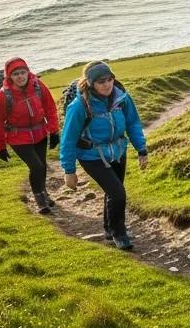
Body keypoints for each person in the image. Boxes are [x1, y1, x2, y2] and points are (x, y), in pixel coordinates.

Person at [59, 61, 148, 250]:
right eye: (101, 81)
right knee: (118, 193)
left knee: (113, 191)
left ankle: (109, 228)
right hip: (91, 156)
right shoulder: (79, 106)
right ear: (91, 83)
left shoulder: (122, 98)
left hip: (118, 151)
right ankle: (119, 233)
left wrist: (141, 149)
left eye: (109, 79)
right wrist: (69, 170)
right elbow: (68, 139)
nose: (107, 84)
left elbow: (133, 123)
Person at [0, 57, 59, 213]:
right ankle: (40, 201)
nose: (20, 76)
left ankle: (44, 193)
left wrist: (54, 131)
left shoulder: (38, 86)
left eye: (23, 72)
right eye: (16, 74)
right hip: (18, 138)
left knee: (42, 166)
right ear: (9, 76)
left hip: (40, 133)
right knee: (36, 166)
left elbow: (50, 108)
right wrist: (0, 147)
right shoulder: (3, 95)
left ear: (28, 72)